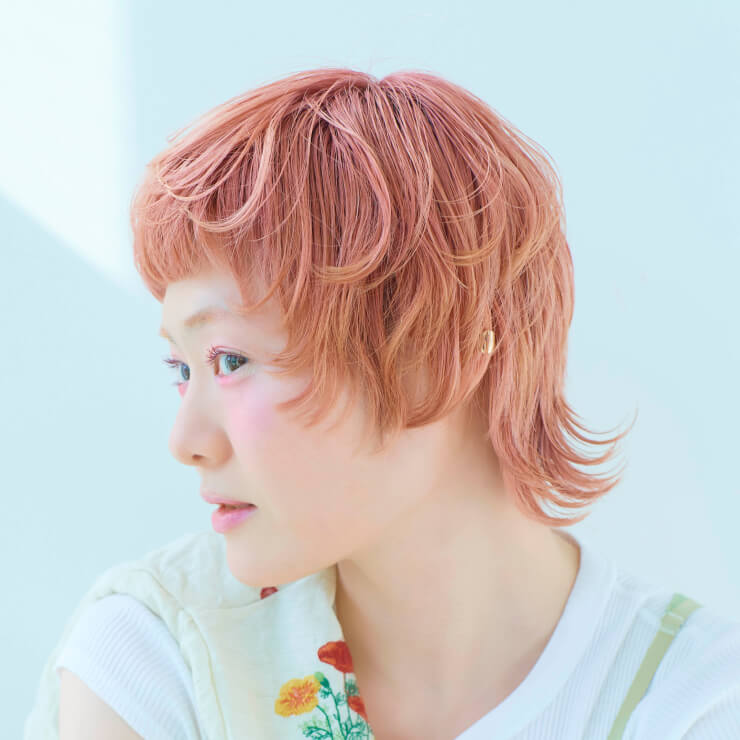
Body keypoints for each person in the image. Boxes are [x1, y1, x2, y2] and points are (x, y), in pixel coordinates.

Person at [25, 68, 740, 740]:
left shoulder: (690, 700)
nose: (186, 440)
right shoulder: (160, 653)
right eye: (182, 370)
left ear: (437, 353)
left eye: (231, 361)